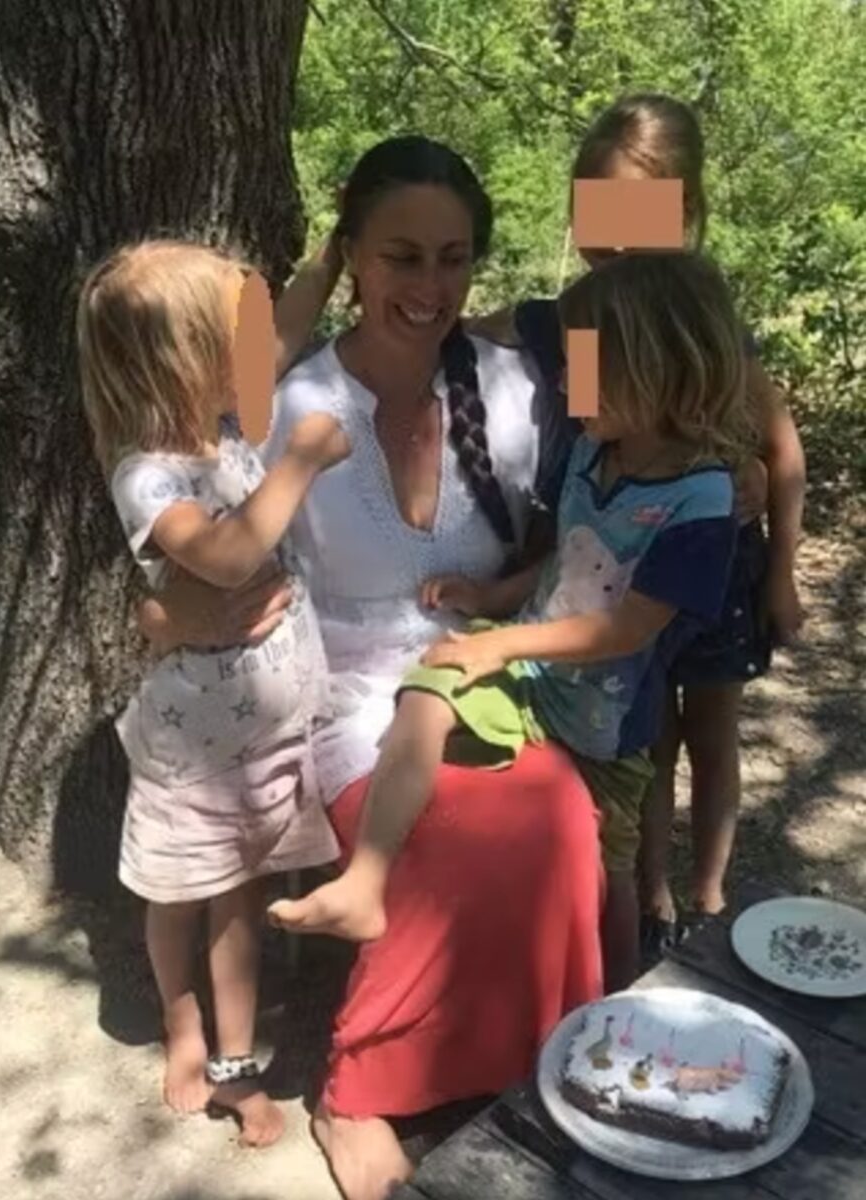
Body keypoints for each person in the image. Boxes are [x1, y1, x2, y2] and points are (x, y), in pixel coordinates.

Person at [137, 138, 604, 1200]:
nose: (430, 287)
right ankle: (359, 1088)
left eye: (452, 259)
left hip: (477, 663)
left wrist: (745, 470)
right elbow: (189, 552)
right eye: (401, 256)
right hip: (336, 683)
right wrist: (166, 614)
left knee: (558, 819)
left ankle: (524, 1059)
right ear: (350, 254)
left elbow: (639, 399)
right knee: (444, 840)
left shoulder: (515, 384)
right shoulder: (280, 399)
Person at [270, 249, 748, 993]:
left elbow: (628, 627)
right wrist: (492, 597)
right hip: (534, 674)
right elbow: (568, 559)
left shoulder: (702, 501)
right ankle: (366, 880)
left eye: (583, 366)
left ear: (656, 368)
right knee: (429, 685)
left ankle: (617, 999)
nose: (560, 382)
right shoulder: (595, 450)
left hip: (607, 725)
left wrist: (504, 643)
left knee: (606, 872)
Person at [470, 93, 806, 956]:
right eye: (599, 216)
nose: (614, 243)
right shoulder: (582, 318)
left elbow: (776, 445)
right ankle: (650, 893)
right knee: (646, 733)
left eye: (637, 218)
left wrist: (781, 572)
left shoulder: (702, 320)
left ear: (683, 211)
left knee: (713, 728)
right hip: (617, 557)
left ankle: (709, 895)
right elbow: (596, 430)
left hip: (711, 561)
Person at [77, 241, 349, 1146]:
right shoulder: (148, 473)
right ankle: (180, 1016)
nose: (258, 356)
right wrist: (300, 460)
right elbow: (228, 558)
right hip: (195, 755)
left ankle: (235, 1065)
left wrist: (332, 257)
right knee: (179, 896)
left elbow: (287, 334)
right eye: (236, 341)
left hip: (264, 744)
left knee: (241, 902)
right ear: (183, 360)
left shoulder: (224, 424)